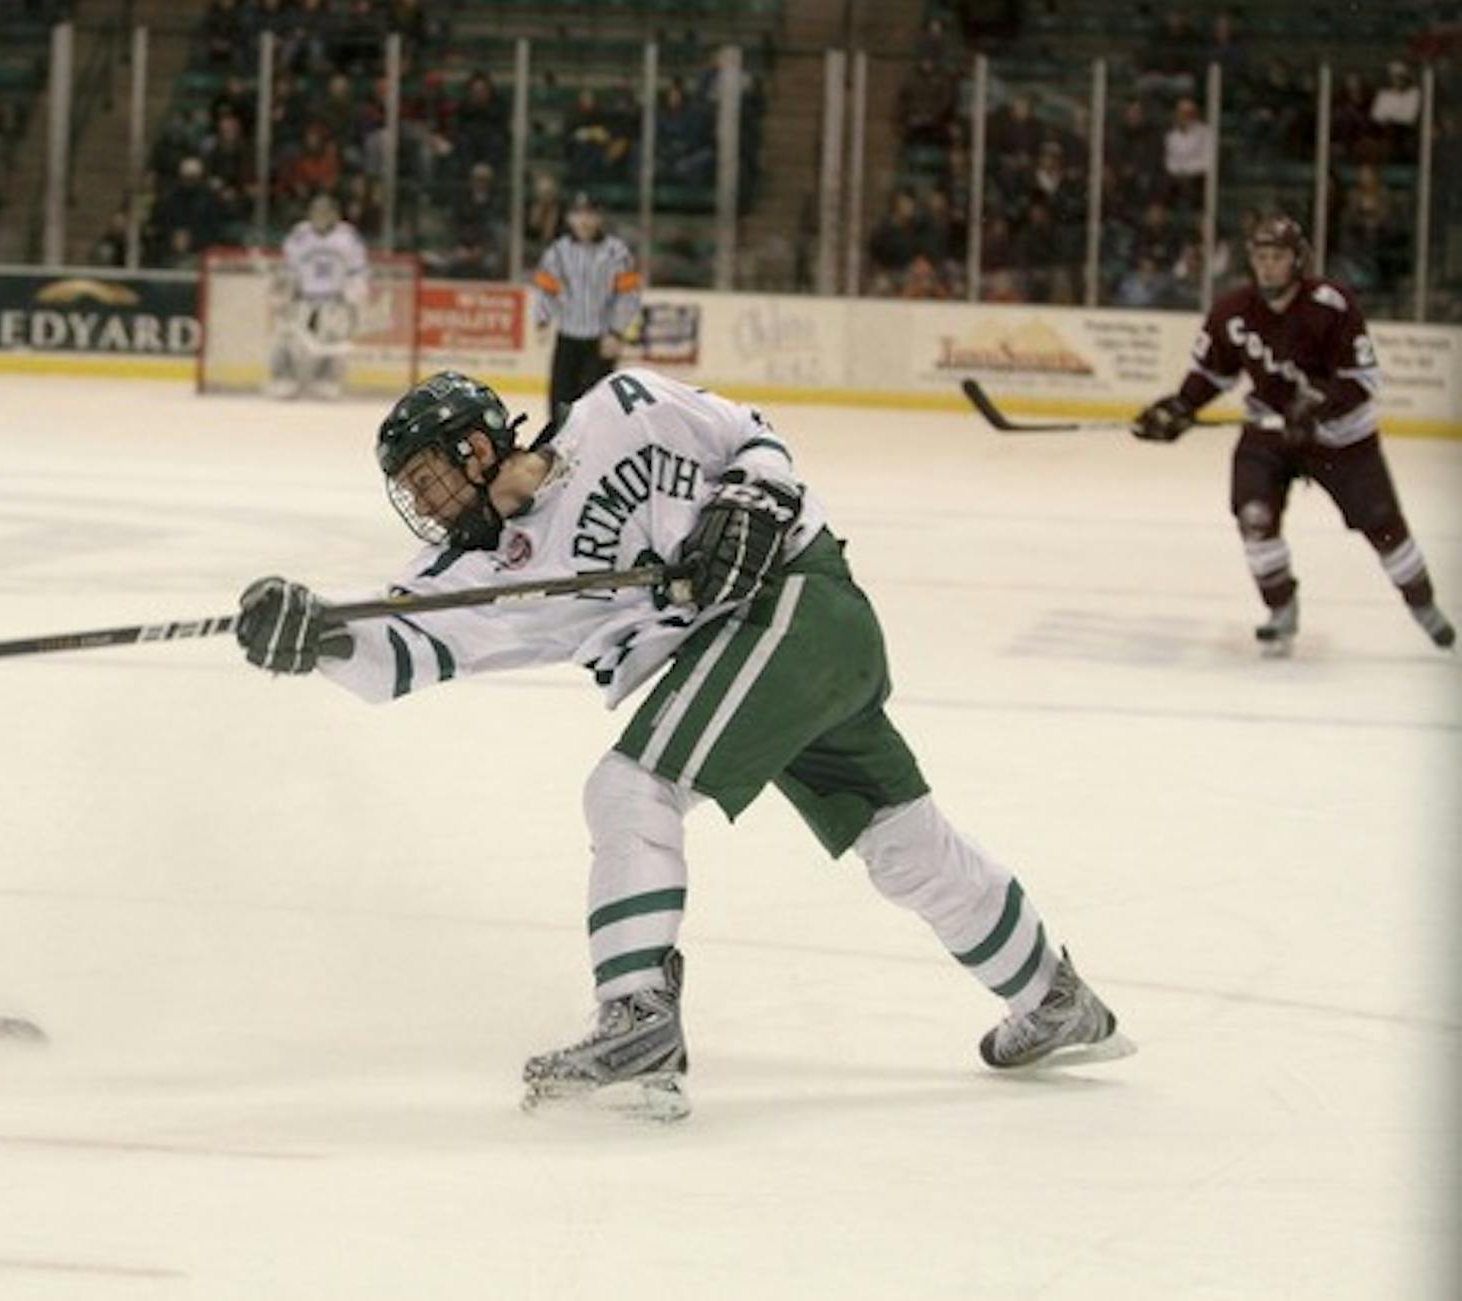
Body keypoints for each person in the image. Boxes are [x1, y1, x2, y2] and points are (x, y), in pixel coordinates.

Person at [233, 368, 1132, 1120]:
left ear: (477, 445)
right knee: (903, 844)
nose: (425, 506)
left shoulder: (620, 408)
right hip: (764, 656)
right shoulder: (476, 575)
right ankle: (1053, 995)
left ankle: (638, 1016)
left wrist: (749, 499)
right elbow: (401, 647)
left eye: (429, 478)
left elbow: (750, 434)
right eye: (413, 493)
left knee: (630, 789)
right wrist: (317, 635)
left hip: (796, 602)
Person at [1133, 215, 1453, 654]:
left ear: (1297, 260)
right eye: (1260, 257)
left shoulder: (1331, 305)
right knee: (1254, 516)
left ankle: (1423, 604)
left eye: (1277, 257)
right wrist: (1179, 407)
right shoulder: (1232, 312)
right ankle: (1281, 608)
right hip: (1271, 432)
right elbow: (1212, 374)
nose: (1267, 266)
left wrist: (1318, 403)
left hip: (1341, 439)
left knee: (1383, 527)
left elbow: (1363, 380)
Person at [531, 192, 641, 441]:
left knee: (596, 403)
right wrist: (542, 318)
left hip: (600, 341)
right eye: (578, 214)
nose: (584, 220)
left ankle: (595, 453)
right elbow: (546, 289)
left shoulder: (617, 252)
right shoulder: (558, 252)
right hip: (567, 337)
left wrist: (616, 331)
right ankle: (559, 451)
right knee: (559, 401)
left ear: (599, 218)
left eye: (590, 214)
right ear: (569, 218)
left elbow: (629, 295)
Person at [268, 193, 369, 400]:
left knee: (332, 340)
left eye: (326, 211)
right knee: (286, 337)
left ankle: (327, 380)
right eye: (316, 210)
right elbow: (289, 267)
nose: (320, 215)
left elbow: (358, 269)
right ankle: (284, 378)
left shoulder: (348, 236)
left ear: (335, 214)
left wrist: (354, 294)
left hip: (335, 299)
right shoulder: (300, 234)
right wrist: (285, 290)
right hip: (303, 298)